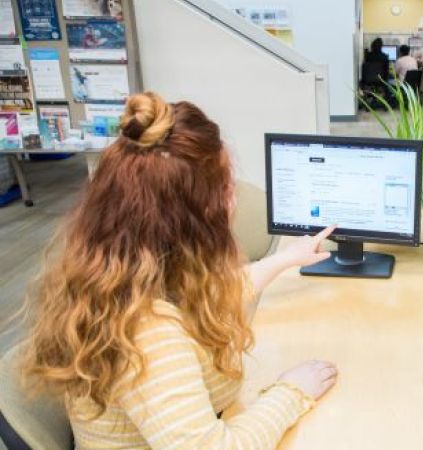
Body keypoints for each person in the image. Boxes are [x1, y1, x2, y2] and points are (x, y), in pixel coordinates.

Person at [21, 92, 339, 449]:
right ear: (195, 214)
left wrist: (283, 260)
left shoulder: (132, 273)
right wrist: (291, 393)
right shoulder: (145, 330)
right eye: (225, 185)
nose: (234, 196)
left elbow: (214, 295)